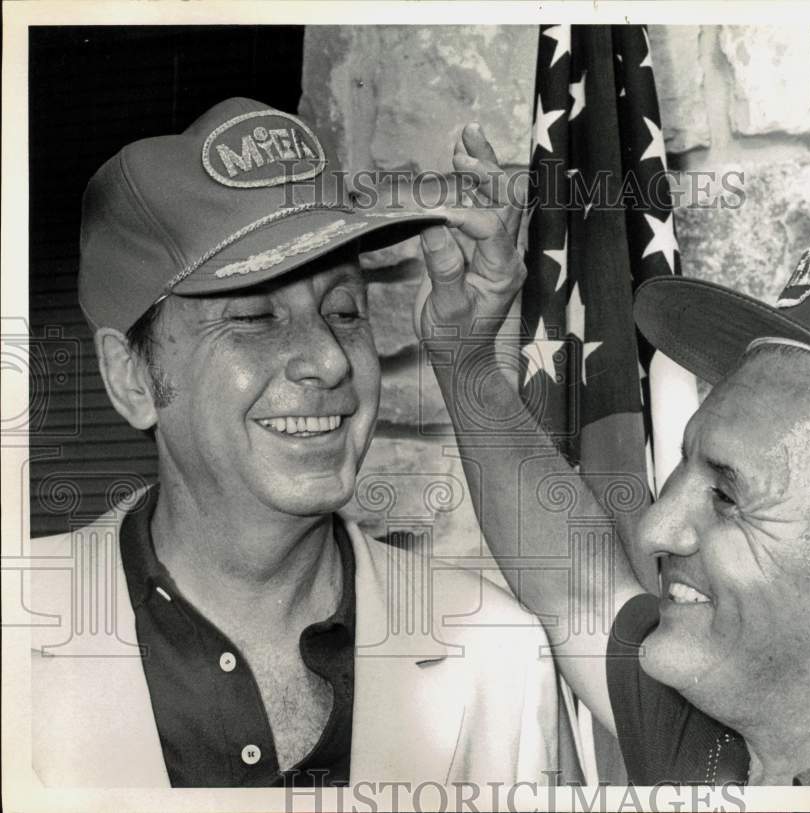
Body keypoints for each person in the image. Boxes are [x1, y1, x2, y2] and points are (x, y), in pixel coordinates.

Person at [414, 125, 810, 785]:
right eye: (687, 466)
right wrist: (464, 359)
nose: (655, 528)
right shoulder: (737, 710)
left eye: (728, 495)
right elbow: (576, 588)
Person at [29, 98, 564, 789]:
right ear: (132, 376)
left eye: (344, 312)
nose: (330, 360)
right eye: (254, 317)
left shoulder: (497, 652)